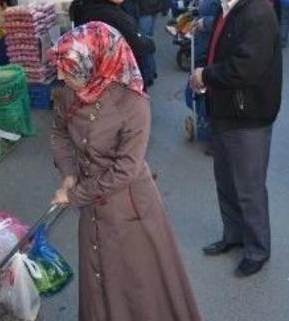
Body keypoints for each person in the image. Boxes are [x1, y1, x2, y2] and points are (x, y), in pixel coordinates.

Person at [50, 22, 201, 321]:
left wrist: (76, 194)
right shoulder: (68, 93)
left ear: (96, 64)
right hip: (92, 204)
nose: (59, 75)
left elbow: (126, 169)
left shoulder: (133, 102)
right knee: (97, 277)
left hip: (129, 209)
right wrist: (69, 173)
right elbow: (59, 133)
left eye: (68, 69)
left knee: (136, 286)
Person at [189, 0, 282, 277]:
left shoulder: (256, 13)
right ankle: (233, 235)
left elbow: (246, 69)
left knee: (248, 186)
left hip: (248, 115)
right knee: (226, 181)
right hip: (228, 108)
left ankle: (257, 249)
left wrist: (205, 75)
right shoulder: (232, 5)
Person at [72, 0, 154, 69]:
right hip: (117, 74)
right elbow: (140, 46)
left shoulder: (91, 8)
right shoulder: (112, 15)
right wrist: (149, 42)